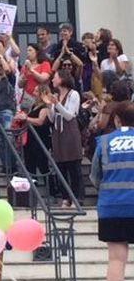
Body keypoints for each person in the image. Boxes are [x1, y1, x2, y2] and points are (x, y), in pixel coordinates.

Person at [89, 101, 134, 281]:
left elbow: (95, 177)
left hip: (112, 207)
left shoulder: (104, 142)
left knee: (116, 259)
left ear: (117, 120)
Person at [44, 70, 82, 208]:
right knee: (61, 167)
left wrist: (57, 104)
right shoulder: (57, 95)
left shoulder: (74, 94)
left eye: (55, 77)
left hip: (69, 132)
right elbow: (52, 118)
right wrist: (49, 105)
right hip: (57, 132)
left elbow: (69, 115)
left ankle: (76, 197)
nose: (53, 80)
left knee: (73, 167)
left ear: (62, 79)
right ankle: (65, 198)